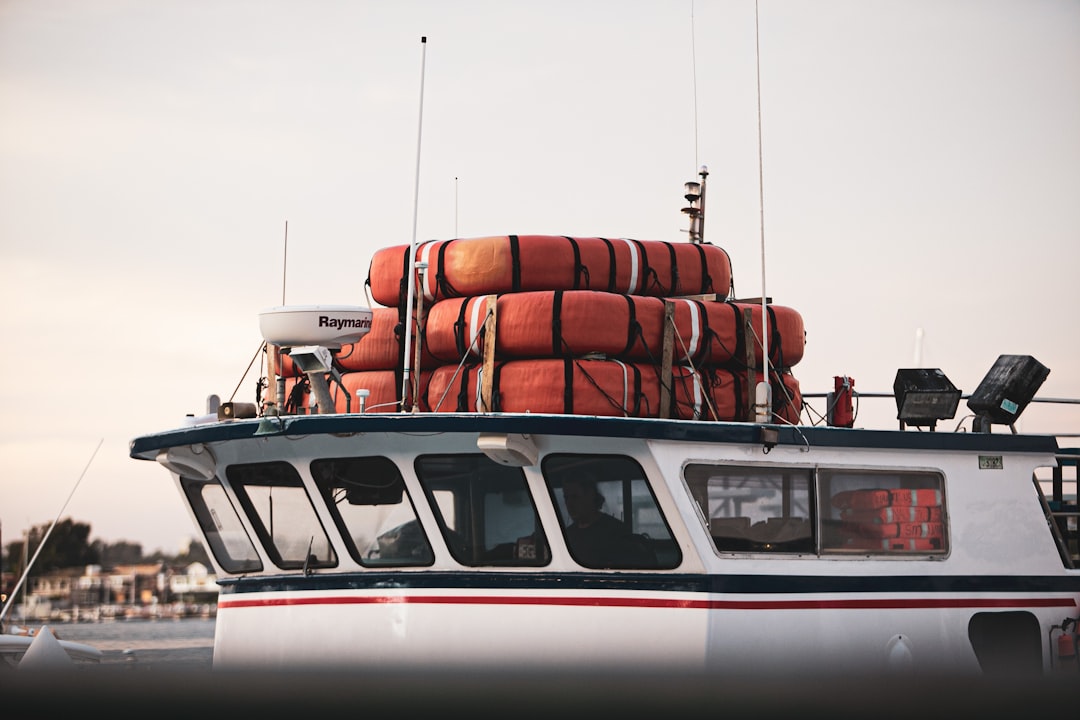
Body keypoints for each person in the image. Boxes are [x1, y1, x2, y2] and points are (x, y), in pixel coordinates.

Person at [561, 476, 654, 568]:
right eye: (566, 498)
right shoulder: (568, 534)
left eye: (575, 497)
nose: (569, 504)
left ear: (590, 496)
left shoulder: (616, 530)